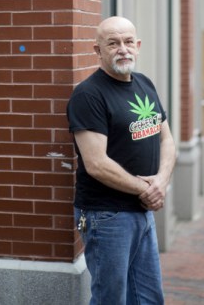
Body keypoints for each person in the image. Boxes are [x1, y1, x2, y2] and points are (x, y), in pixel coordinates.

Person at [67, 16, 177, 304]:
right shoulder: (88, 95)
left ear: (138, 46)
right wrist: (147, 190)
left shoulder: (144, 83)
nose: (123, 49)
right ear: (98, 50)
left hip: (142, 212)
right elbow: (96, 164)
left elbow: (167, 139)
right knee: (111, 298)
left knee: (149, 298)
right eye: (113, 43)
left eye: (128, 42)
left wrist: (161, 182)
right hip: (107, 216)